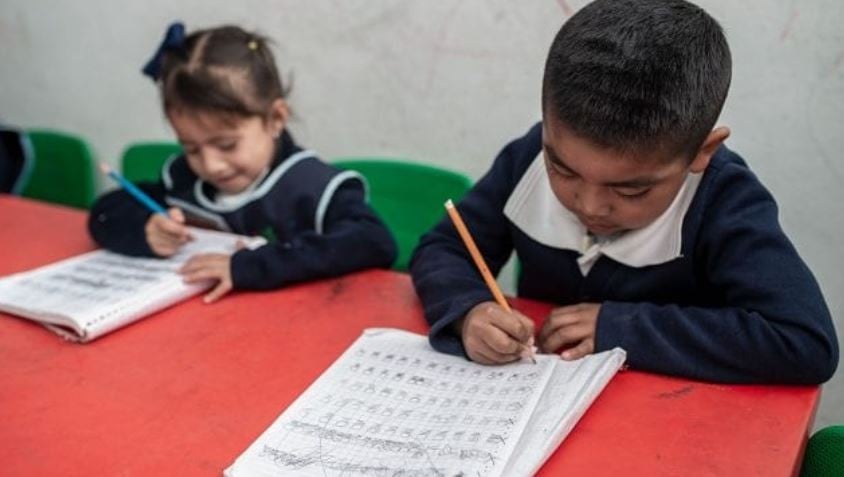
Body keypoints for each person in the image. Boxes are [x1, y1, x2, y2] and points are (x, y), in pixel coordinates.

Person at [410, 0, 838, 384]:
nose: (589, 205)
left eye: (631, 190)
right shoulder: (527, 158)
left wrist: (622, 329)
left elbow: (804, 341)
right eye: (562, 169)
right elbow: (443, 248)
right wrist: (468, 311)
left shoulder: (724, 201)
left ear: (702, 151)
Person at [89, 23, 396, 303]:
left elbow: (375, 243)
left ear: (275, 118)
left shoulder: (312, 186)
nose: (211, 166)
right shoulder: (183, 178)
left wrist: (253, 266)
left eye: (226, 145)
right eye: (191, 147)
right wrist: (144, 230)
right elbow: (105, 212)